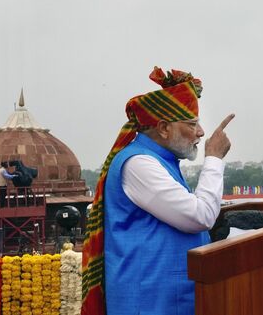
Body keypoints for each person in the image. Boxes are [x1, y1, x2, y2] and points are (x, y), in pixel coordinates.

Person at [82, 67, 234, 315]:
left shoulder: (159, 161)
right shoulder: (139, 164)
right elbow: (201, 216)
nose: (200, 132)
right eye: (191, 123)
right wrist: (214, 159)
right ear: (163, 128)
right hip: (148, 303)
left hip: (165, 299)